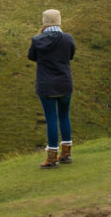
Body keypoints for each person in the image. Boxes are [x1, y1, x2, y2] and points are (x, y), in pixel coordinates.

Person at [27, 9, 76, 169]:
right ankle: (66, 153)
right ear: (59, 21)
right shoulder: (68, 39)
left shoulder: (37, 40)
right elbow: (70, 55)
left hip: (46, 85)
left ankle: (52, 157)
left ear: (44, 22)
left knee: (51, 119)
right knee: (64, 116)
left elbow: (31, 57)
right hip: (65, 83)